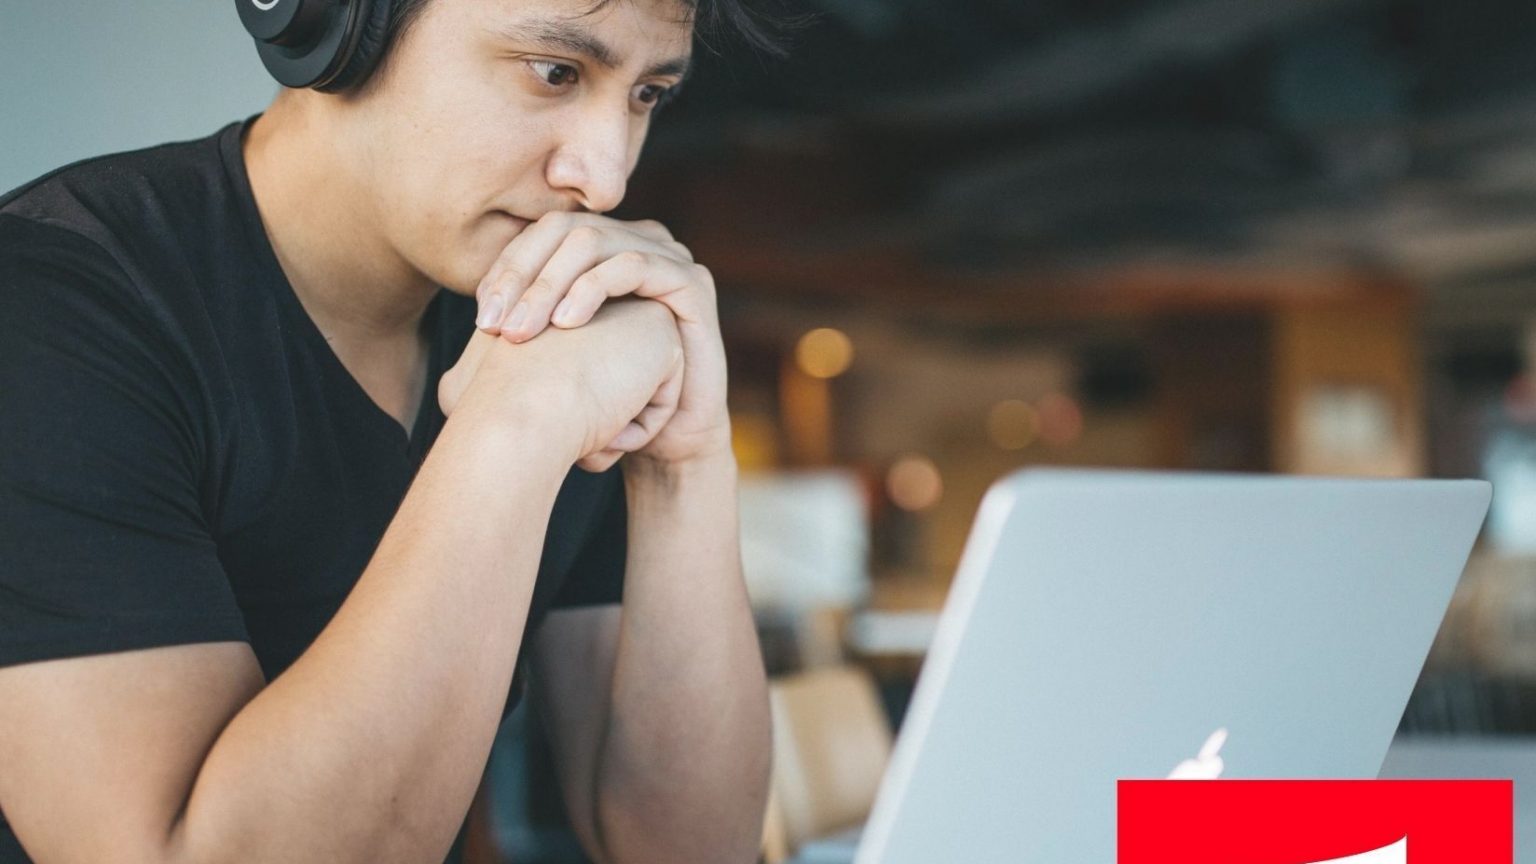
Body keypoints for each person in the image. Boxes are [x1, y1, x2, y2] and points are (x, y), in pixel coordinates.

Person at [0, 0, 786, 861]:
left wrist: (684, 459)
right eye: (554, 72)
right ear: (337, 23)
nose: (604, 181)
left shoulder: (559, 324)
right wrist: (513, 427)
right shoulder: (52, 311)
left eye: (646, 95)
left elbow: (685, 848)